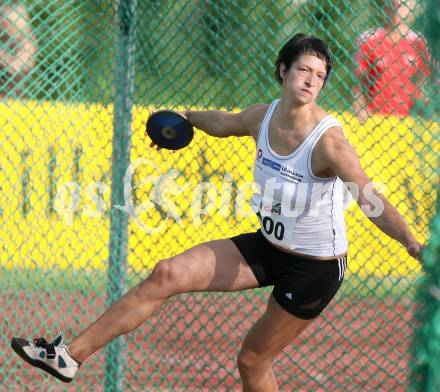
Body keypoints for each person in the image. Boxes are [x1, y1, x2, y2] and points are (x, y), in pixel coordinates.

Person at [11, 34, 422, 391]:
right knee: (166, 273)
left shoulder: (328, 142)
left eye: (320, 74)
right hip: (269, 246)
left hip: (314, 267)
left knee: (252, 360)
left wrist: (412, 243)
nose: (311, 80)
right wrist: (186, 120)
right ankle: (69, 357)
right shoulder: (263, 116)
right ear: (282, 71)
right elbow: (224, 123)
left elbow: (370, 199)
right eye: (303, 70)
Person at [352, 0, 431, 121]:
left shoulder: (420, 43)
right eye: (393, 1)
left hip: (409, 121)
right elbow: (358, 86)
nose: (397, 6)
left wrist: (426, 113)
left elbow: (424, 86)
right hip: (375, 120)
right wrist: (361, 111)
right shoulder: (368, 39)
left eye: (404, 3)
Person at [0, 2, 37, 98]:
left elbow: (14, 67)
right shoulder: (4, 38)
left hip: (13, 88)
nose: (5, 24)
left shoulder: (28, 42)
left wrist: (5, 57)